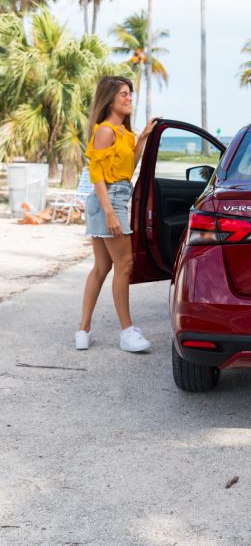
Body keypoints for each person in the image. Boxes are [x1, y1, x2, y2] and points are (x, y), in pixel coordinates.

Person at [75, 76, 157, 352]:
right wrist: (110, 212)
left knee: (102, 267)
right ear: (110, 98)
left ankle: (83, 330)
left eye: (130, 93)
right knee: (124, 265)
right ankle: (127, 331)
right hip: (109, 199)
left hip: (117, 195)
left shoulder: (124, 133)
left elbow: (128, 168)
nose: (128, 98)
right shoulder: (106, 131)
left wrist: (143, 138)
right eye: (123, 94)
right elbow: (97, 176)